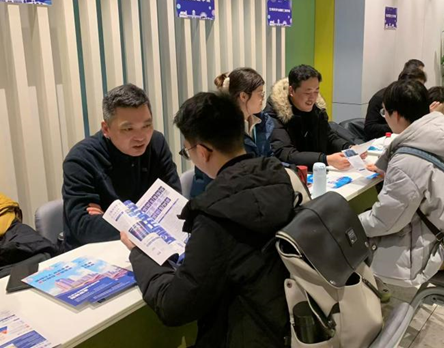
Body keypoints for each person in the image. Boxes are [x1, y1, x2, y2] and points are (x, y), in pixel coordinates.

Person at [122, 92, 295, 346]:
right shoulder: (281, 177)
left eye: (187, 151)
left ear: (202, 151)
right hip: (287, 326)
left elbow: (175, 306)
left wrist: (140, 251)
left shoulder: (216, 214)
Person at [359, 80, 444, 287]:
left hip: (429, 249)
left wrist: (351, 222)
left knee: (344, 235)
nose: (385, 117)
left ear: (397, 115)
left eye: (384, 112)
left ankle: (365, 298)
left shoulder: (407, 160)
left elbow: (385, 221)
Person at [62, 84, 180, 250]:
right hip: (96, 252)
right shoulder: (81, 159)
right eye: (128, 129)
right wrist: (150, 216)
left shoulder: (156, 143)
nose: (141, 137)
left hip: (149, 245)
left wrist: (114, 218)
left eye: (146, 126)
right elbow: (85, 227)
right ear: (106, 129)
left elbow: (173, 203)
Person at [190, 67, 274, 197]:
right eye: (260, 94)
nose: (263, 98)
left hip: (253, 191)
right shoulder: (220, 131)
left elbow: (269, 158)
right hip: (219, 197)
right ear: (243, 96)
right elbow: (218, 182)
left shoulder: (262, 122)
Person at [265, 64, 352, 170]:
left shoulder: (318, 109)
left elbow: (328, 137)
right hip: (291, 173)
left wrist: (348, 148)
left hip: (318, 170)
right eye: (307, 92)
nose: (312, 98)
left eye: (316, 91)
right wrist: (325, 160)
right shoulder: (275, 113)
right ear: (291, 91)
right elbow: (285, 154)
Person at [364, 64, 427, 141]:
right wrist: (399, 125)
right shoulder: (381, 98)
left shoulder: (417, 98)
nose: (420, 90)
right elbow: (369, 128)